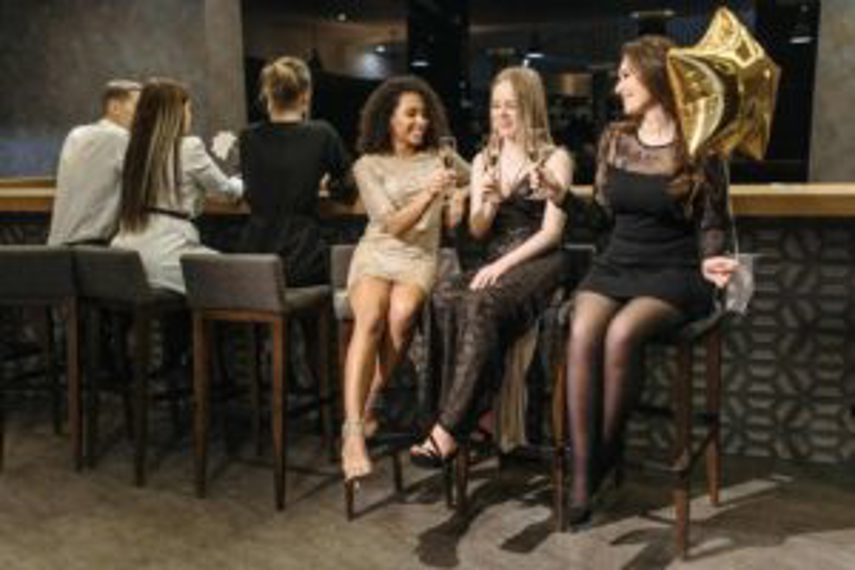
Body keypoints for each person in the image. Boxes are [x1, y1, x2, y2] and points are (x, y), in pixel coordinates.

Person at [552, 36, 737, 526]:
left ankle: (603, 452)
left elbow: (711, 224)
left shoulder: (702, 143)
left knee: (622, 334)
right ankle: (582, 476)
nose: (618, 84)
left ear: (656, 76)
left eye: (626, 75)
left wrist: (711, 262)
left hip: (674, 270)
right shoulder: (615, 138)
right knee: (583, 331)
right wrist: (561, 196)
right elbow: (599, 218)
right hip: (616, 262)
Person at [409, 66, 573, 468]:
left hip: (539, 259)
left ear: (530, 108)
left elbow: (551, 233)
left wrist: (502, 266)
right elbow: (479, 230)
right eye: (495, 106)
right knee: (442, 297)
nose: (501, 114)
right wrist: (489, 203)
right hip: (496, 253)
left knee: (483, 304)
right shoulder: (485, 159)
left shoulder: (556, 158)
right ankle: (441, 414)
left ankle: (449, 431)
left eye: (511, 106)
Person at [341, 76, 469, 484]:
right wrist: (431, 195)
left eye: (424, 113)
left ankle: (366, 406)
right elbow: (391, 224)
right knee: (372, 318)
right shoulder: (367, 164)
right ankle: (354, 431)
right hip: (378, 251)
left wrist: (463, 197)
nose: (421, 121)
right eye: (410, 114)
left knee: (402, 313)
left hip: (418, 258)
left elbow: (480, 177)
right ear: (389, 119)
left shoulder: (442, 157)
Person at [111, 78, 242, 293]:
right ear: (175, 114)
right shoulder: (190, 147)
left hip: (126, 258)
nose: (191, 116)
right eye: (189, 109)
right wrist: (240, 181)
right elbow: (226, 192)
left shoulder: (131, 151)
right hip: (167, 254)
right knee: (241, 279)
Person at [239, 56, 353, 286]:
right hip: (301, 257)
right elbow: (349, 188)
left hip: (254, 259)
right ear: (306, 94)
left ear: (268, 94)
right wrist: (326, 185)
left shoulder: (248, 137)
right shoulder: (322, 133)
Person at [48, 80, 141, 245]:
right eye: (138, 107)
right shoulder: (120, 138)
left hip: (57, 246)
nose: (144, 115)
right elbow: (151, 185)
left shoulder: (75, 135)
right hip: (93, 248)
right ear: (114, 107)